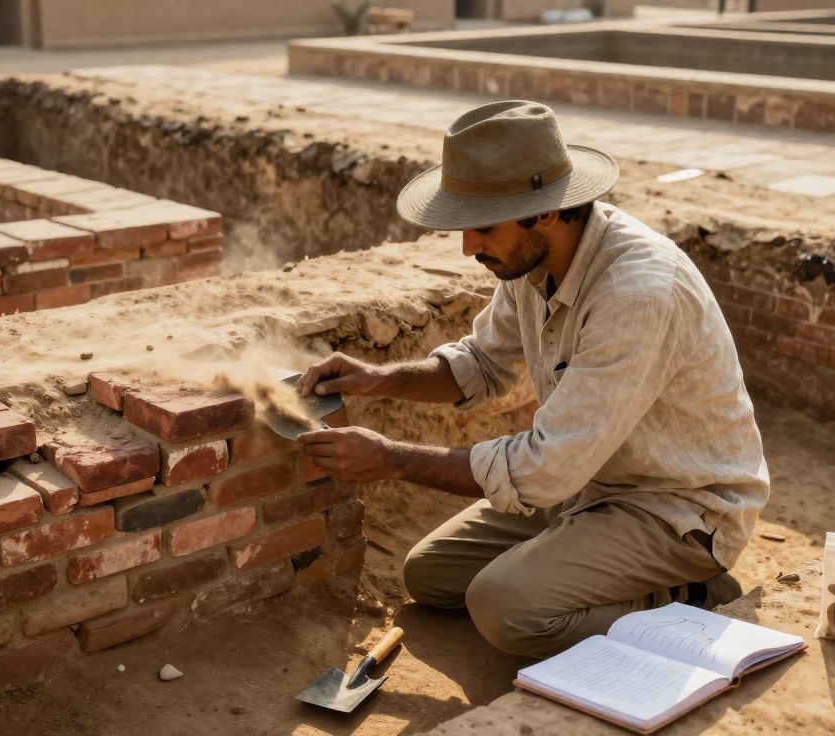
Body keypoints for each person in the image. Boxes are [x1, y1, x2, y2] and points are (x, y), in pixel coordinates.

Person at [295, 100, 769, 659]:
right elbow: (480, 364)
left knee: (505, 608)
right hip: (589, 481)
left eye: (482, 228)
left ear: (543, 213)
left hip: (677, 509)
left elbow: (544, 469)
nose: (468, 248)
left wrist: (391, 458)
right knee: (431, 576)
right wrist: (378, 378)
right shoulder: (530, 259)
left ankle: (694, 596)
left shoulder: (638, 296)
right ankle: (580, 562)